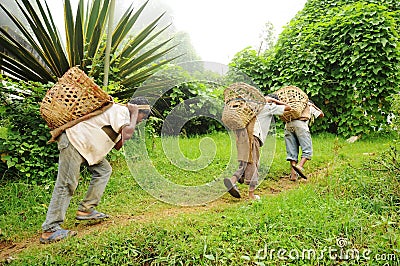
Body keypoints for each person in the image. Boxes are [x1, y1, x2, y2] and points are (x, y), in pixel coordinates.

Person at [40, 97, 150, 244]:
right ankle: (50, 229)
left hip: (86, 149)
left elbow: (118, 144)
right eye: (144, 115)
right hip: (75, 142)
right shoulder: (121, 110)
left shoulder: (123, 119)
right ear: (137, 109)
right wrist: (134, 112)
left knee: (104, 170)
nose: (143, 119)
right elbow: (127, 134)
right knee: (67, 183)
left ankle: (86, 209)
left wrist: (133, 119)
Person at [224, 94, 291, 200]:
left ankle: (232, 181)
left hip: (243, 136)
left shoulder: (254, 105)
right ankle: (251, 194)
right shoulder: (269, 107)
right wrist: (274, 101)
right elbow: (288, 108)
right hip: (254, 137)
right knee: (254, 163)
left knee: (245, 161)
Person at [285, 99, 324, 181]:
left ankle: (293, 175)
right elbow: (321, 114)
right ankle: (299, 166)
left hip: (288, 125)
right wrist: (313, 106)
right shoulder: (309, 106)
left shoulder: (294, 106)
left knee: (292, 151)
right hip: (301, 125)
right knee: (307, 150)